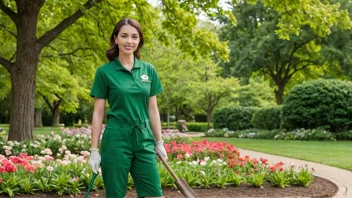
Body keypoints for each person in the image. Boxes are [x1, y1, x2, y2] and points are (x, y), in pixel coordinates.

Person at [88, 18, 167, 198]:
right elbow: (98, 113)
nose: (129, 41)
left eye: (134, 37)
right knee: (115, 194)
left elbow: (153, 110)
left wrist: (159, 141)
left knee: (154, 194)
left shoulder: (149, 70)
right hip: (116, 138)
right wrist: (94, 150)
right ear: (116, 39)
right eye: (124, 36)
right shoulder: (104, 72)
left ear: (139, 41)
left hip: (144, 138)